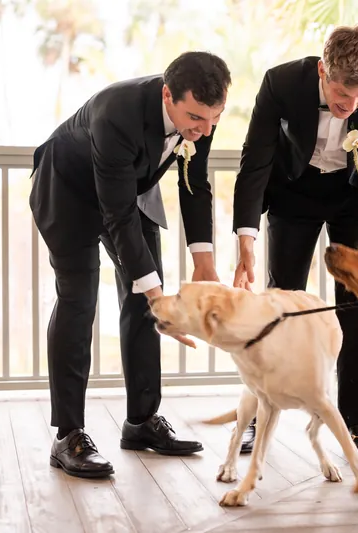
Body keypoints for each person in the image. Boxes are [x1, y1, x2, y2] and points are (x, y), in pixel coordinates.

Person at [231, 25, 358, 464]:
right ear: (324, 70)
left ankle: (356, 425)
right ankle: (259, 415)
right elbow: (254, 163)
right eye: (342, 94)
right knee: (280, 302)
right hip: (293, 191)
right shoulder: (280, 83)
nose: (351, 106)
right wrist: (245, 238)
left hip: (356, 194)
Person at [29, 51, 232, 478]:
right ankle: (68, 435)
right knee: (80, 301)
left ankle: (141, 422)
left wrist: (204, 264)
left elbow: (195, 184)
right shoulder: (117, 112)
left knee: (143, 299)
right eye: (196, 117)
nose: (205, 129)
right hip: (69, 193)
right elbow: (117, 216)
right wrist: (160, 299)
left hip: (127, 191)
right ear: (167, 94)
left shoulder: (202, 115)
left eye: (214, 118)